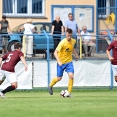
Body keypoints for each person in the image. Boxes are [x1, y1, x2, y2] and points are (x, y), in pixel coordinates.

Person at [48, 28, 78, 97]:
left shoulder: (73, 41)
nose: (69, 37)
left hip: (69, 62)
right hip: (61, 62)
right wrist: (58, 61)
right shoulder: (62, 43)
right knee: (59, 78)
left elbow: (72, 48)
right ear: (65, 34)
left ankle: (69, 93)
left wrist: (76, 55)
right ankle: (50, 85)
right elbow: (55, 53)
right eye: (68, 36)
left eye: (70, 35)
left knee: (71, 76)